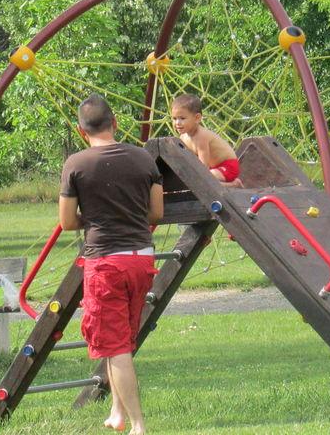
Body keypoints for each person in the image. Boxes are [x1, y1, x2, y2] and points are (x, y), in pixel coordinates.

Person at [59, 94, 164, 435]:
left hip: (105, 262)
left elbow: (67, 222)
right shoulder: (144, 159)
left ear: (81, 129)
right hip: (141, 259)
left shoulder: (76, 164)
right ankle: (117, 411)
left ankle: (137, 425)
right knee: (121, 337)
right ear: (115, 122)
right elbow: (156, 214)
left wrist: (94, 215)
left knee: (115, 345)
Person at [171, 93, 243, 187]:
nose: (177, 123)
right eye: (174, 118)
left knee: (204, 179)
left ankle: (234, 184)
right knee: (197, 178)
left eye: (182, 118)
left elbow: (203, 168)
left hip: (228, 166)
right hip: (214, 168)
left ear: (197, 118)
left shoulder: (201, 136)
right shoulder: (183, 137)